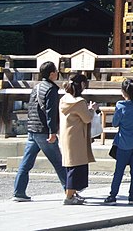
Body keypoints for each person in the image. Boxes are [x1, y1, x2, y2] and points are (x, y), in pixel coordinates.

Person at [11, 61, 67, 202]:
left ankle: (19, 191)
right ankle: (69, 191)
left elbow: (32, 107)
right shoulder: (51, 89)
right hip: (44, 130)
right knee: (59, 162)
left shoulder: (36, 87)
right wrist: (52, 131)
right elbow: (50, 112)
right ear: (52, 73)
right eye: (55, 71)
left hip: (32, 129)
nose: (57, 73)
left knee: (26, 162)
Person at [104, 78, 133, 204]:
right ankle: (132, 196)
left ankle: (113, 195)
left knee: (119, 170)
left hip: (124, 142)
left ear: (123, 91)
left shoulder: (120, 105)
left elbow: (115, 123)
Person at [59, 72, 97, 205]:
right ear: (81, 85)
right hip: (77, 137)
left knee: (70, 165)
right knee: (76, 167)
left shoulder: (64, 99)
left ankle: (72, 194)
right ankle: (69, 197)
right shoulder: (80, 102)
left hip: (66, 135)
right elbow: (87, 118)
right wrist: (91, 109)